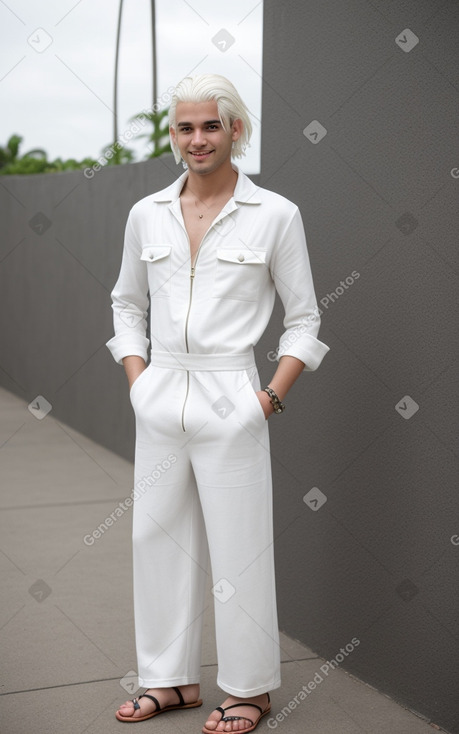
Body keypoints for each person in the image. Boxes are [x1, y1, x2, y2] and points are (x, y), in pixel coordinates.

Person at [106, 73, 329, 734]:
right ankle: (168, 680)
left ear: (235, 129)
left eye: (211, 125)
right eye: (185, 126)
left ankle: (249, 691)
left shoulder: (276, 215)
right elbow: (125, 303)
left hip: (232, 393)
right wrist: (138, 379)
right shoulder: (145, 213)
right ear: (172, 135)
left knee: (241, 550)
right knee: (155, 538)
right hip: (161, 394)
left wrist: (266, 399)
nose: (197, 138)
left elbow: (306, 320)